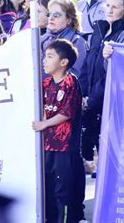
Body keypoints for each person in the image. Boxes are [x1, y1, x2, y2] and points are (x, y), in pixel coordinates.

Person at [80, 0, 124, 176]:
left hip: (110, 101)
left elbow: (113, 72)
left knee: (109, 155)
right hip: (91, 101)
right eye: (108, 5)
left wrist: (92, 100)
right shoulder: (99, 28)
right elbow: (88, 63)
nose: (110, 10)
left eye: (115, 7)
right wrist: (82, 94)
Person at [32, 39, 85, 223]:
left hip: (65, 148)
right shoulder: (46, 83)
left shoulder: (71, 82)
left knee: (62, 191)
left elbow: (66, 113)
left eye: (49, 56)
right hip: (47, 145)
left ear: (63, 62)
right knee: (47, 188)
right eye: (44, 56)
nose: (44, 60)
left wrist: (44, 124)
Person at [40, 0, 87, 80]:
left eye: (56, 15)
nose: (51, 18)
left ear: (69, 20)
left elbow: (74, 75)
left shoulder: (77, 41)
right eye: (49, 14)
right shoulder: (41, 39)